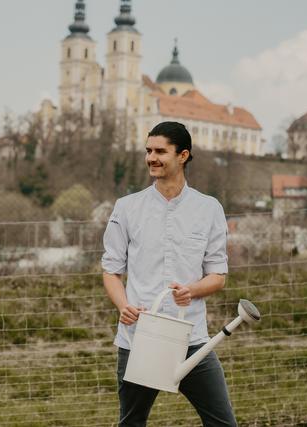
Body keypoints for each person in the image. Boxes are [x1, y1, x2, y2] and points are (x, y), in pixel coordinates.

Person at [101, 121, 237, 427]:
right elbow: (111, 270)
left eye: (160, 151)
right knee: (131, 423)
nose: (151, 157)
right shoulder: (126, 208)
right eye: (148, 150)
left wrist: (193, 290)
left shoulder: (209, 208)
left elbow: (218, 276)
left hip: (191, 338)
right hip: (138, 339)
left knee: (223, 423)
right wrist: (123, 305)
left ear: (183, 155)